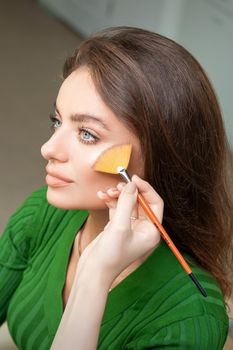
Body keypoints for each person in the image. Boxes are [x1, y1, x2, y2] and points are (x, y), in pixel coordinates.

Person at [0, 26, 233, 350]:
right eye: (57, 121)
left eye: (87, 134)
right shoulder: (43, 212)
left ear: (161, 158)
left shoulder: (188, 321)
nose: (49, 148)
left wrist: (95, 274)